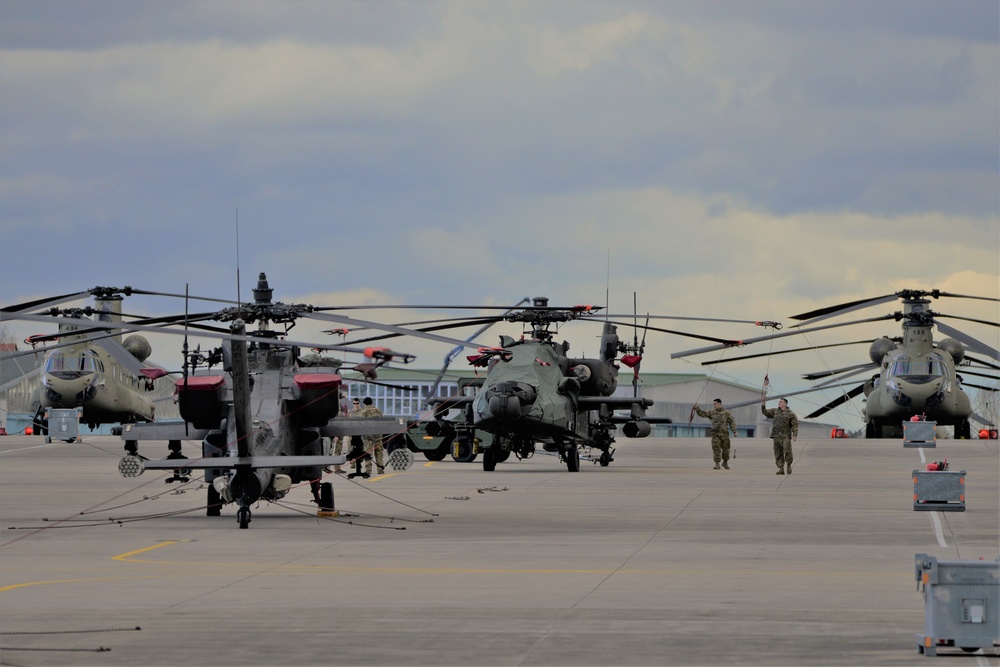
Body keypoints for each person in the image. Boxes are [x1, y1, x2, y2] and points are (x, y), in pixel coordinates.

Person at [693, 398, 737, 469]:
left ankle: (725, 462)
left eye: (715, 404)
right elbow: (702, 414)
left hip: (724, 435)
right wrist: (697, 408)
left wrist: (734, 431)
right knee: (716, 449)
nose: (714, 405)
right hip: (715, 435)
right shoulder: (711, 412)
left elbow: (732, 422)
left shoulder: (727, 413)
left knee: (726, 450)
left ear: (720, 404)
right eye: (713, 404)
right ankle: (717, 464)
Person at [761, 397, 799, 475]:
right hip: (776, 435)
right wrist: (763, 404)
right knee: (778, 452)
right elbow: (765, 412)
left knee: (787, 450)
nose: (779, 403)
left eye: (781, 402)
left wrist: (794, 434)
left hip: (785, 435)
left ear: (785, 403)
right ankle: (781, 468)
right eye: (779, 402)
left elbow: (795, 424)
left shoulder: (791, 413)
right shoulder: (775, 411)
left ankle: (788, 464)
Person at [360, 397, 385, 476]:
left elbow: (361, 423)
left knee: (368, 452)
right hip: (378, 435)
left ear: (364, 404)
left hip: (368, 435)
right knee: (379, 452)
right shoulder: (378, 410)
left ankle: (368, 470)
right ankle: (380, 469)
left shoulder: (364, 411)